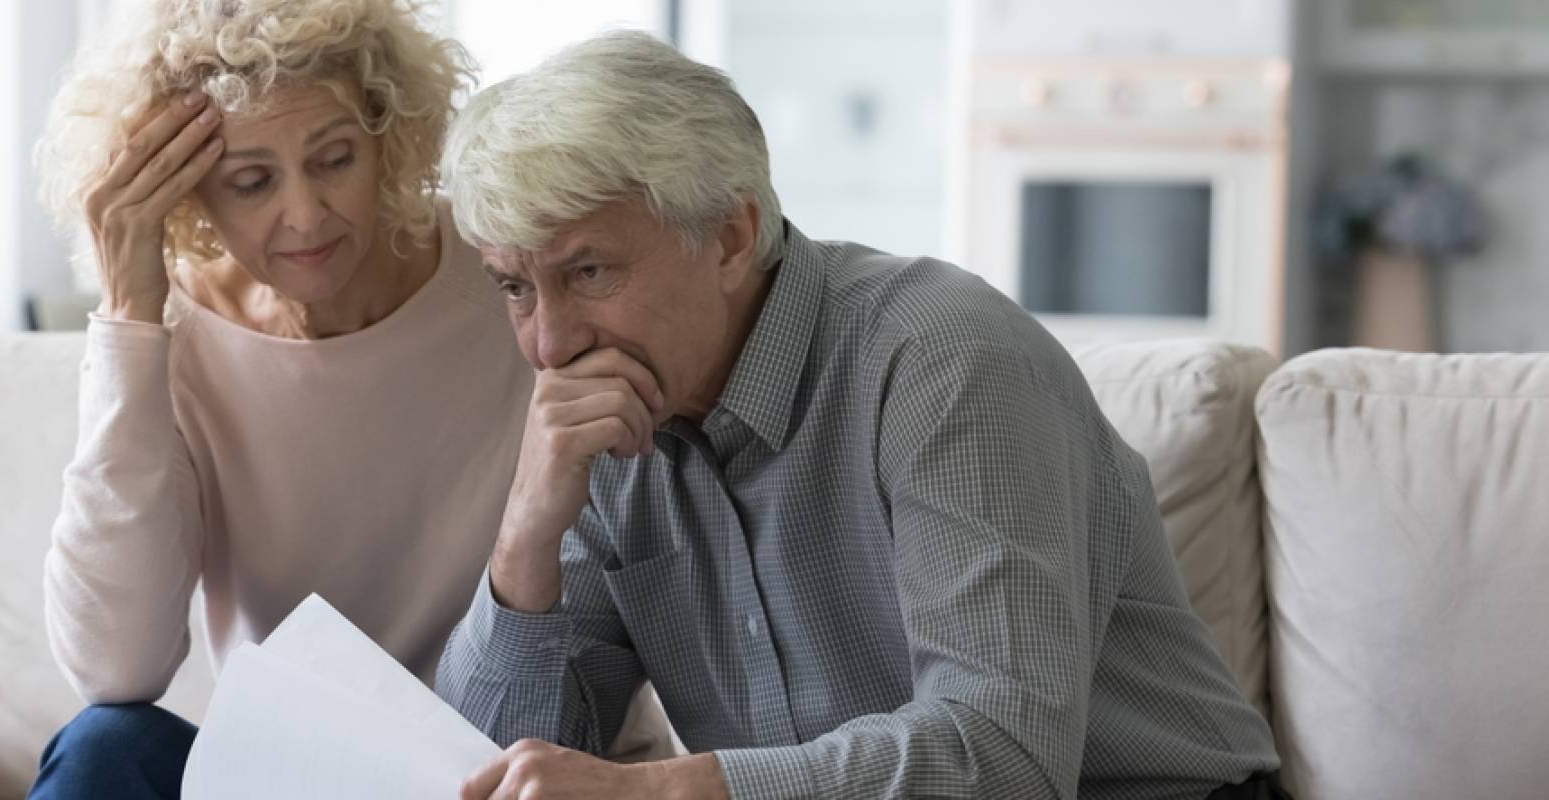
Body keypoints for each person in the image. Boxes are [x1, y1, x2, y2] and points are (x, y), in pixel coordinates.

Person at [434, 31, 1287, 800]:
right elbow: (474, 772)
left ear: (730, 236)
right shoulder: (609, 431)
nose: (549, 344)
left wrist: (668, 793)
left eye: (589, 273)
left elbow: (1006, 759)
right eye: (515, 287)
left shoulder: (944, 360)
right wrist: (525, 534)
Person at [26, 1, 540, 796]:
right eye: (252, 181)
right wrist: (129, 316)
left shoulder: (508, 279)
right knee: (103, 748)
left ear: (387, 139)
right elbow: (114, 666)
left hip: (493, 768)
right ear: (189, 195)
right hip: (285, 776)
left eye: (334, 159)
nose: (304, 216)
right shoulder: (173, 339)